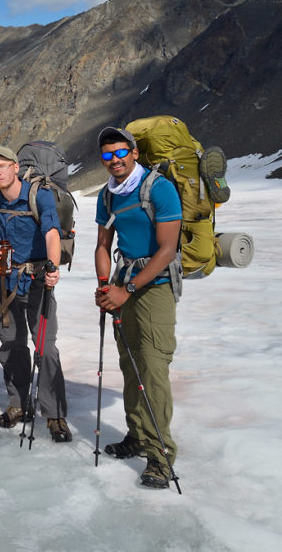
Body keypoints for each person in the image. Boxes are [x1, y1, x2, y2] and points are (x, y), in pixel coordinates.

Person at [94, 126, 182, 490]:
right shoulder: (108, 195)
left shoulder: (158, 188)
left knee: (152, 368)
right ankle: (138, 436)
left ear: (133, 152)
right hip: (121, 286)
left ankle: (160, 457)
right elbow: (102, 244)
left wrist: (127, 288)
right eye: (107, 156)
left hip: (154, 287)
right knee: (130, 365)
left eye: (120, 153)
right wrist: (105, 287)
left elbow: (167, 249)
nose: (114, 160)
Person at [0, 146, 71, 442]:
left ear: (15, 167)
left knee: (45, 347)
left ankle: (54, 415)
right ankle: (19, 405)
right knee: (11, 345)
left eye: (2, 166)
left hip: (38, 280)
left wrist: (53, 267)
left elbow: (52, 232)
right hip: (5, 282)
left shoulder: (38, 196)